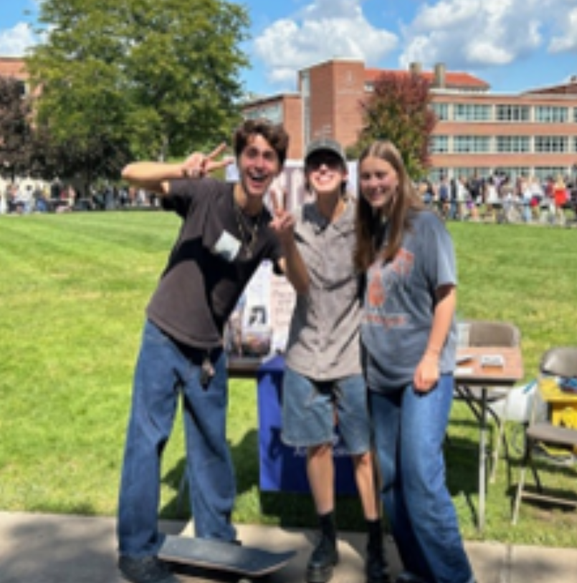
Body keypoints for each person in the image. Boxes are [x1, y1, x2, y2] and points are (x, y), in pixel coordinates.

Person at [115, 119, 288, 583]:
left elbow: (303, 280)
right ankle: (135, 551)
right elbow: (131, 172)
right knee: (147, 441)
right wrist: (181, 168)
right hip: (165, 333)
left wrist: (290, 242)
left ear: (277, 168)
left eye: (268, 157)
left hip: (209, 350)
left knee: (212, 445)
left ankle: (215, 540)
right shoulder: (205, 193)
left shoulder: (269, 231)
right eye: (251, 153)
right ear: (238, 159)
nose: (258, 163)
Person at [353, 141, 474, 583]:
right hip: (379, 375)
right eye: (366, 176)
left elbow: (447, 295)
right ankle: (419, 571)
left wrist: (429, 357)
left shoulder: (425, 227)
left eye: (381, 174)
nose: (373, 184)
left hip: (423, 374)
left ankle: (456, 577)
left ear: (399, 177)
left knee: (421, 477)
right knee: (391, 480)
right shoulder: (371, 229)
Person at [269, 138, 388, 583]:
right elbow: (299, 284)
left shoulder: (364, 219)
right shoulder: (292, 221)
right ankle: (326, 537)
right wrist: (285, 241)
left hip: (352, 353)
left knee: (361, 451)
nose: (322, 169)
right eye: (315, 163)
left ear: (343, 173)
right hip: (304, 352)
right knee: (316, 447)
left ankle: (375, 540)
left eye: (330, 163)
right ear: (308, 174)